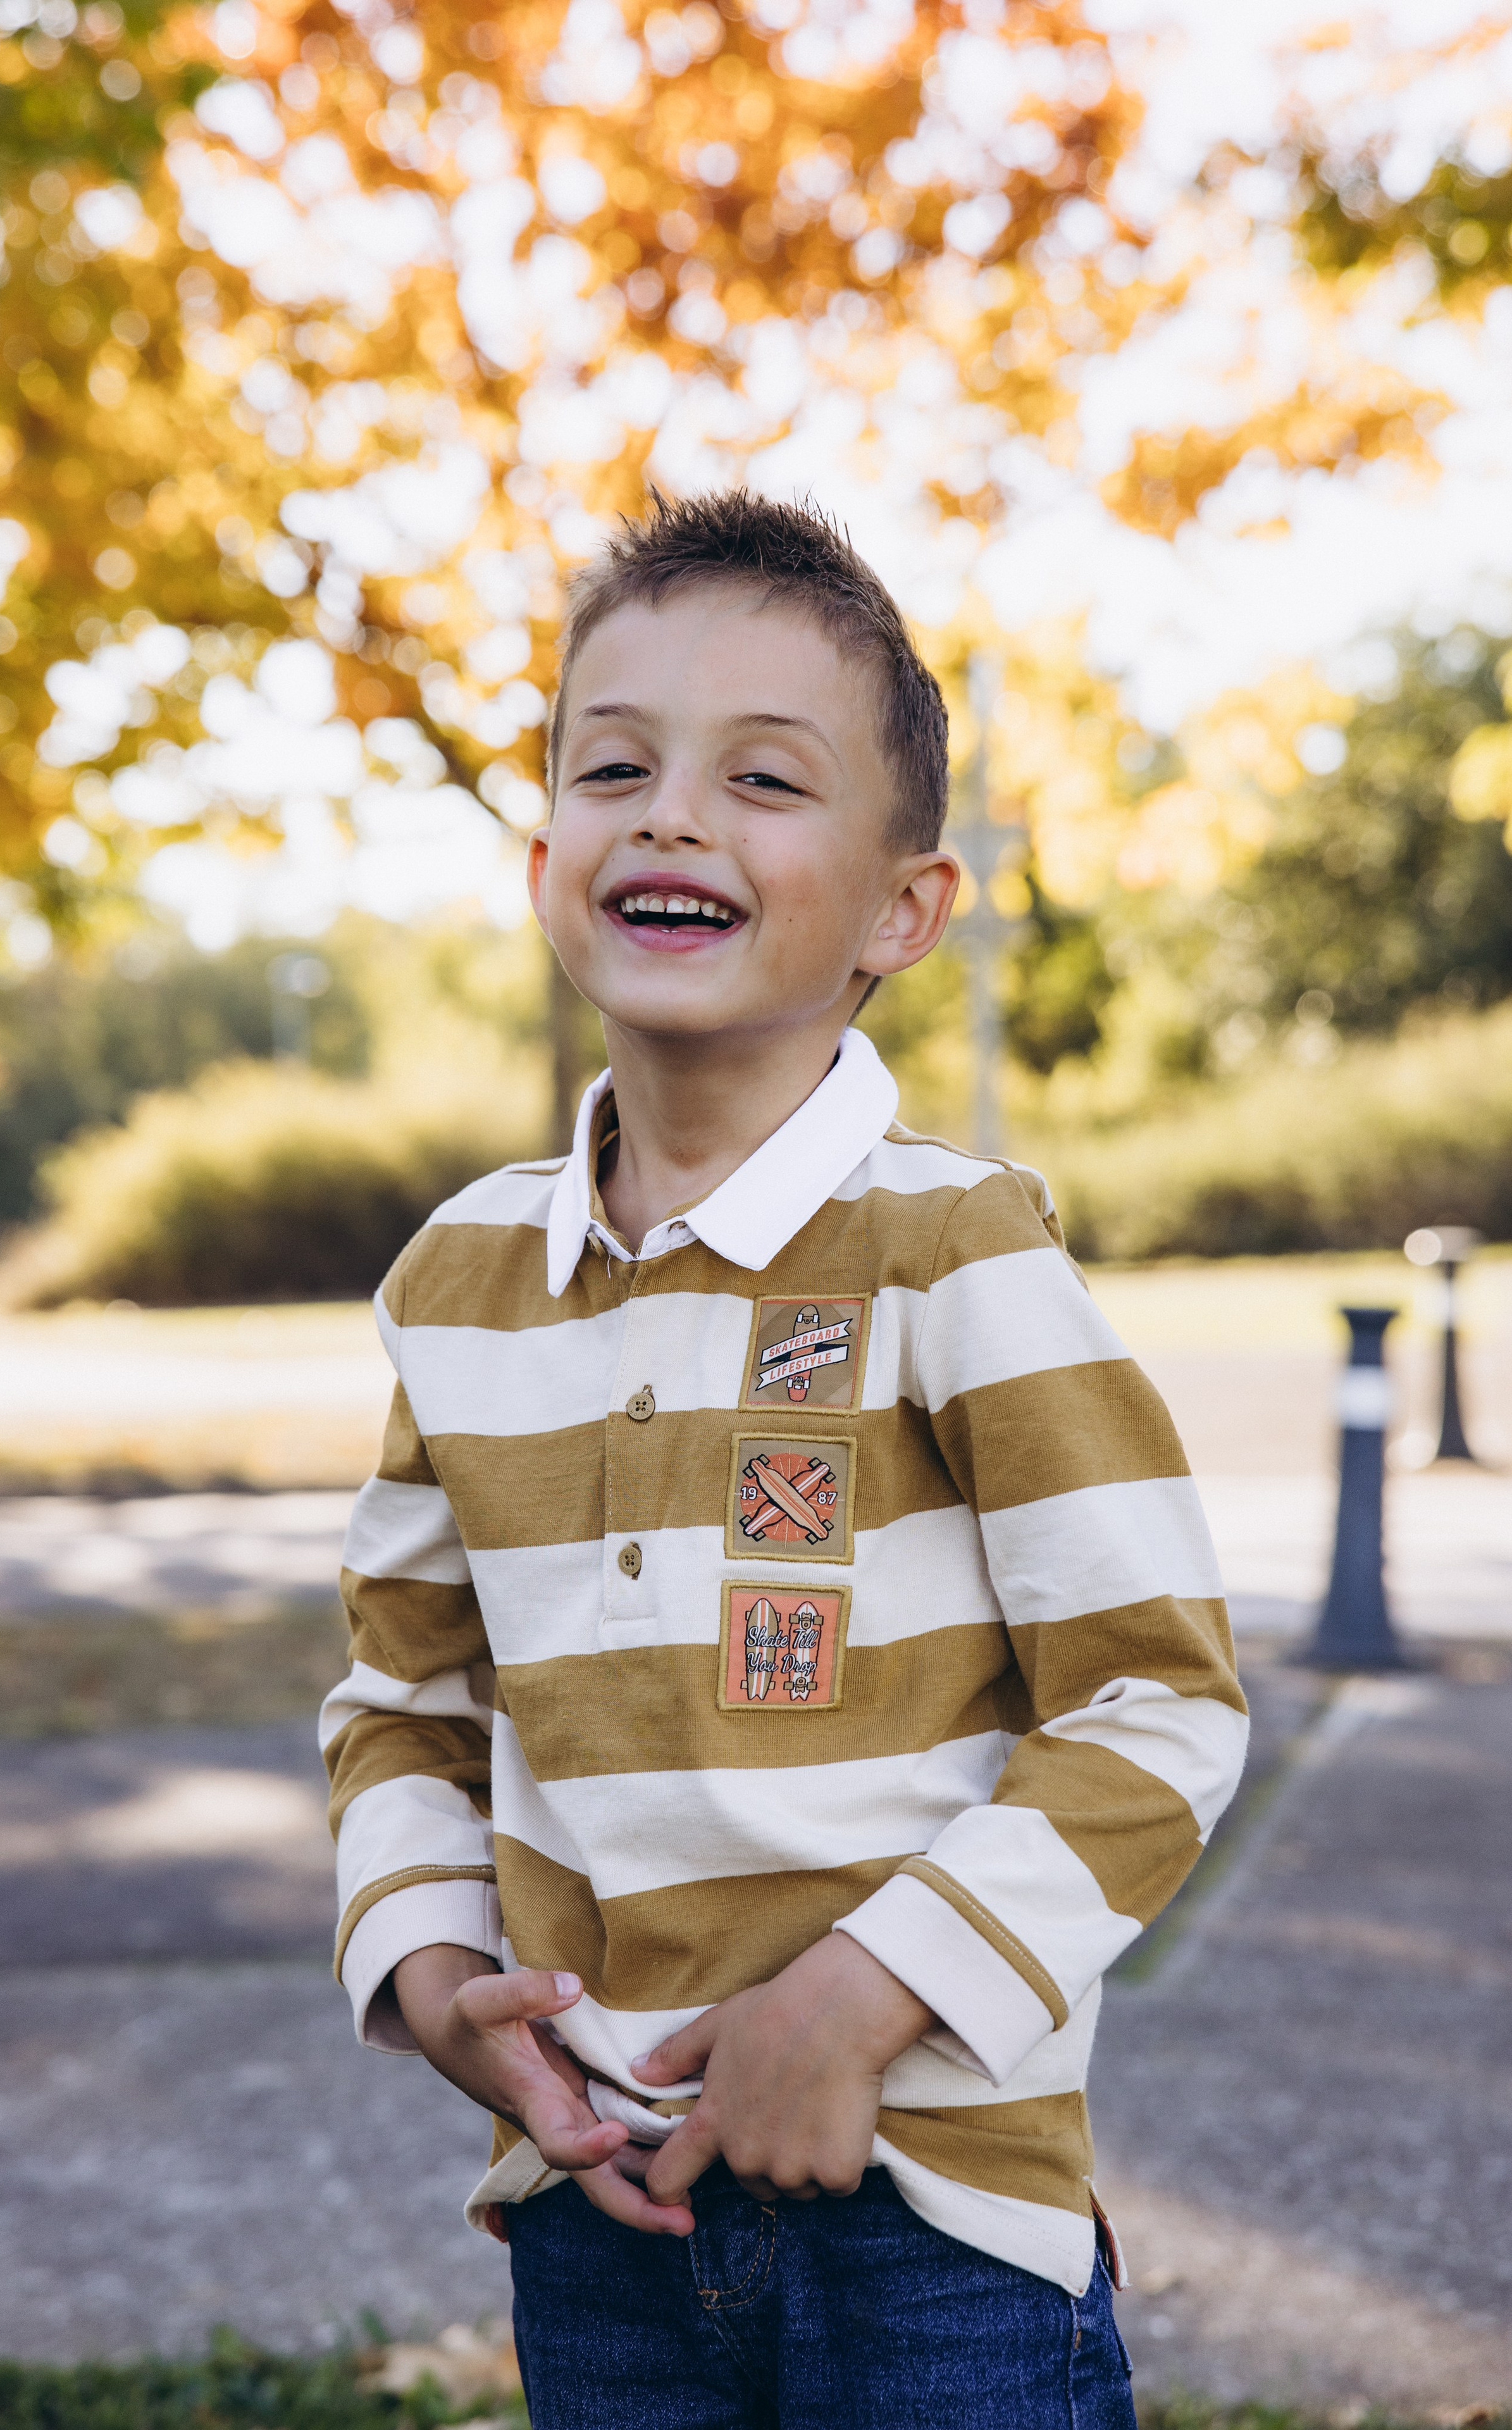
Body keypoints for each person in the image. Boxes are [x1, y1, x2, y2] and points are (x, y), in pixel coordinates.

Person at [319, 492, 1248, 2429]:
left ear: (904, 908)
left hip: (934, 2228)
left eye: (762, 778)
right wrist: (432, 1987)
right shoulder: (459, 1288)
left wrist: (851, 2006)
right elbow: (404, 1706)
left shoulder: (956, 1252)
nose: (670, 816)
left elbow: (1155, 1700)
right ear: (549, 853)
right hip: (603, 2221)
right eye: (615, 766)